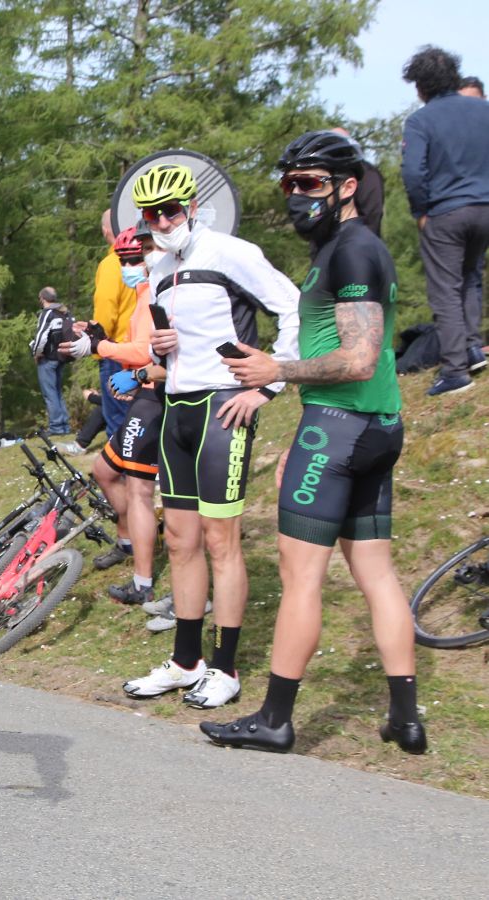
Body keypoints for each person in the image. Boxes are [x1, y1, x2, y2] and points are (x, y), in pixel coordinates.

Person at [201, 131, 424, 754]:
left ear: (346, 187)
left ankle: (274, 719)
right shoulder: (351, 248)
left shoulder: (352, 252)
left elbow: (355, 359)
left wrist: (277, 370)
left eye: (311, 184)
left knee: (302, 579)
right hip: (375, 428)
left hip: (340, 430)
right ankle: (405, 717)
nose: (298, 197)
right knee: (376, 572)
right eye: (290, 185)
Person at [121, 162, 299, 710]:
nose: (162, 222)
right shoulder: (158, 265)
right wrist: (160, 348)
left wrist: (270, 383)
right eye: (151, 216)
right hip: (177, 406)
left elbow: (292, 306)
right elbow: (165, 346)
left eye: (171, 212)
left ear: (192, 208)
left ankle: (225, 667)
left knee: (222, 541)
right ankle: (185, 661)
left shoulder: (230, 252)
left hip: (224, 406)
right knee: (181, 540)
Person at [63, 223, 167, 600]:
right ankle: (128, 541)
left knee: (139, 489)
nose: (129, 266)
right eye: (123, 259)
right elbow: (135, 342)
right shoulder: (142, 290)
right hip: (145, 391)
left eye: (135, 258)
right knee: (105, 470)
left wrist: (100, 348)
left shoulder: (161, 291)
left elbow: (146, 352)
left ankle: (143, 580)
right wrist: (99, 335)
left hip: (158, 397)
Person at [399, 46, 489, 395]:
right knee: (470, 278)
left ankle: (455, 371)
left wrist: (420, 212)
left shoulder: (421, 120)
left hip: (446, 212)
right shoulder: (483, 110)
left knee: (445, 290)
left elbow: (412, 172)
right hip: (485, 206)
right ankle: (470, 346)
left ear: (420, 87)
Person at [91, 208, 140, 438]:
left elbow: (106, 307)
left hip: (117, 349)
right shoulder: (144, 260)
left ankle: (119, 468)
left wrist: (97, 344)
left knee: (119, 420)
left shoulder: (112, 263)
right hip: (142, 350)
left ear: (105, 231)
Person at [29, 286, 74, 436]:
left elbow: (41, 336)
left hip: (47, 358)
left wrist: (36, 353)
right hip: (61, 357)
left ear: (42, 298)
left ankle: (56, 427)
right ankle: (65, 426)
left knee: (50, 393)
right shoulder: (64, 312)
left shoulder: (47, 313)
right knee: (58, 392)